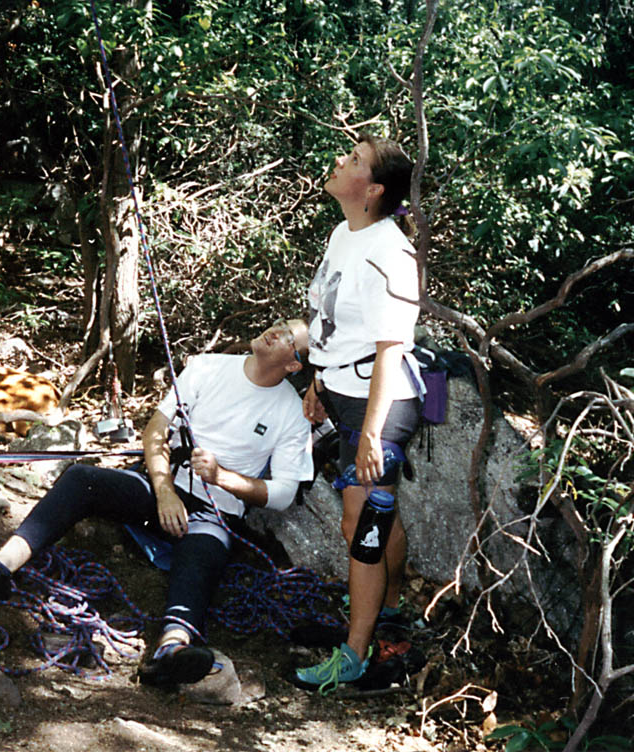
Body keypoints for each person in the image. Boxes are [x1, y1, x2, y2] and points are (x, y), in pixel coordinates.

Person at [0, 319, 314, 687]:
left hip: (215, 510)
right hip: (161, 483)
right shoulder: (209, 367)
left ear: (293, 364)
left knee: (203, 553)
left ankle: (172, 648)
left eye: (287, 337)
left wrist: (223, 478)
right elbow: (156, 432)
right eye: (280, 325)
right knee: (83, 479)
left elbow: (282, 494)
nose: (275, 331)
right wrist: (163, 490)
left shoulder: (289, 413)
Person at [296, 134, 422, 694]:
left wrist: (371, 434)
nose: (338, 161)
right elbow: (334, 322)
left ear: (372, 190)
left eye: (352, 160)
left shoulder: (392, 252)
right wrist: (319, 380)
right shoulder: (343, 233)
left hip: (384, 401)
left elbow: (391, 349)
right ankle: (388, 609)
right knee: (376, 515)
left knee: (361, 523)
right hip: (345, 392)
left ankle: (354, 652)